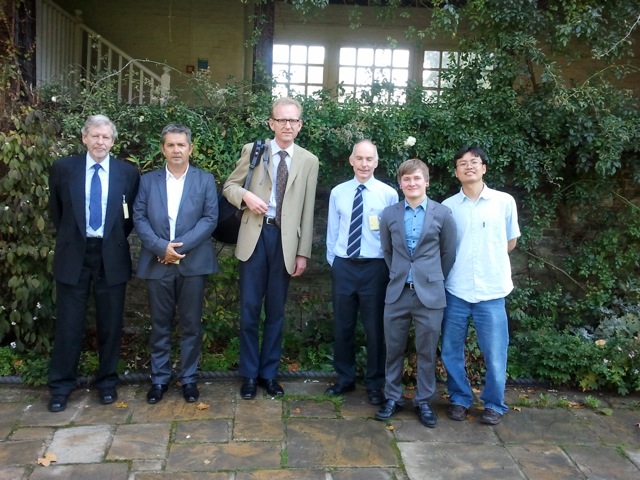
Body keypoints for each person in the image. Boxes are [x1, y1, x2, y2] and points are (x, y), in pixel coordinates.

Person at [223, 97, 319, 399]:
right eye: (281, 120)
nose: (287, 125)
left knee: (276, 312)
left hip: (285, 241)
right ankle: (249, 375)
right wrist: (246, 197)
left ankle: (269, 374)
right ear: (271, 123)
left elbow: (307, 209)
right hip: (255, 235)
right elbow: (229, 186)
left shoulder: (309, 160)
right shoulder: (254, 150)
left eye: (292, 120)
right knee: (250, 309)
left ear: (300, 125)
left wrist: (302, 252)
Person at [47, 114, 140, 412]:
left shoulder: (128, 172)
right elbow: (57, 212)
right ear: (84, 138)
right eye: (95, 136)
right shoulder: (64, 169)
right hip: (74, 252)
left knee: (110, 323)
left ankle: (107, 382)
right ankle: (61, 386)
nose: (100, 142)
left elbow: (128, 218)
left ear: (113, 141)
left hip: (110, 254)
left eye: (106, 137)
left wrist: (109, 238)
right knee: (69, 324)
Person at [133, 124, 219, 404]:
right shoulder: (148, 181)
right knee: (160, 325)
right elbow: (139, 217)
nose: (176, 150)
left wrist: (177, 249)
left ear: (190, 148)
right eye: (170, 145)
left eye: (181, 145)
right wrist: (161, 248)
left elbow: (210, 219)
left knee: (191, 325)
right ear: (163, 149)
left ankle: (189, 378)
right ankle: (159, 379)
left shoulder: (204, 180)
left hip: (193, 264)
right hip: (157, 262)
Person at [440, 145, 520, 425]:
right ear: (456, 172)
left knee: (495, 354)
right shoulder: (448, 207)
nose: (469, 166)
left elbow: (510, 241)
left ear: (484, 168)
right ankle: (460, 399)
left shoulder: (504, 202)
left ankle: (494, 404)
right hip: (456, 289)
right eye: (462, 163)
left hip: (492, 290)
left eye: (474, 162)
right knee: (451, 350)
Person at [376, 159, 456, 428]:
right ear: (400, 183)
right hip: (397, 292)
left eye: (417, 178)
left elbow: (448, 253)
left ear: (427, 181)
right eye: (406, 179)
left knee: (426, 352)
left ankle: (423, 401)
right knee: (393, 349)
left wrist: (430, 276)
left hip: (430, 294)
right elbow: (387, 251)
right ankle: (393, 397)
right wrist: (400, 273)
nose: (412, 183)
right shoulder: (389, 214)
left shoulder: (442, 213)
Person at [324, 140, 398, 405]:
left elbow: (392, 235)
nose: (364, 164)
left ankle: (375, 383)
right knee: (342, 326)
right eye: (359, 158)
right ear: (351, 160)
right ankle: (345, 378)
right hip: (344, 266)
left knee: (375, 329)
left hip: (375, 269)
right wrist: (335, 261)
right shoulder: (338, 192)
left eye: (369, 159)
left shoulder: (388, 194)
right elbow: (333, 230)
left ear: (376, 162)